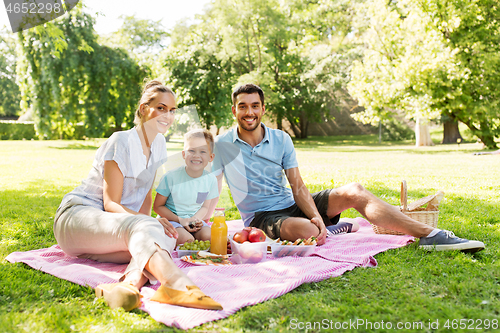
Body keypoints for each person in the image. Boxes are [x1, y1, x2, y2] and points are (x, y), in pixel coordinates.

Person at [210, 83, 485, 253]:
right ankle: (328, 229)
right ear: (234, 110)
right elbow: (213, 187)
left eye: (255, 106)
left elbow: (298, 186)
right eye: (243, 107)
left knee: (354, 191)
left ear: (263, 108)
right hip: (262, 217)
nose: (249, 112)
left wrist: (316, 214)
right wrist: (194, 220)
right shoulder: (223, 144)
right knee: (308, 232)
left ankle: (432, 235)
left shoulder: (281, 138)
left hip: (291, 205)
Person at [53, 80, 222, 312]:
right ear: (144, 109)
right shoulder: (120, 141)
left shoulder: (159, 143)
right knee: (153, 230)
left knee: (165, 236)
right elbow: (111, 203)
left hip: (111, 233)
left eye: (172, 110)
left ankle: (129, 285)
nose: (168, 116)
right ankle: (175, 283)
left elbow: (146, 194)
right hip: (78, 218)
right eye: (161, 108)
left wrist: (150, 225)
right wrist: (147, 222)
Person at [153, 129, 218, 245]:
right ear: (184, 154)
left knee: (211, 237)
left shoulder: (211, 180)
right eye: (191, 150)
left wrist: (195, 220)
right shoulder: (171, 177)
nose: (196, 156)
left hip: (192, 220)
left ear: (211, 157)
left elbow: (205, 207)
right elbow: (157, 207)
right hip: (172, 220)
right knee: (187, 240)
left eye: (203, 151)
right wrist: (181, 221)